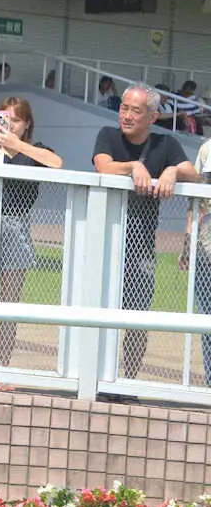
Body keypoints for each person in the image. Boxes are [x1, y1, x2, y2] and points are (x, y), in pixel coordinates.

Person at [92, 84, 198, 391]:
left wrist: (172, 173)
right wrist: (133, 166)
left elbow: (194, 174)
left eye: (135, 110)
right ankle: (99, 380)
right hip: (104, 246)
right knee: (99, 317)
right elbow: (103, 166)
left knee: (136, 319)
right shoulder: (107, 136)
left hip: (142, 250)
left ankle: (127, 383)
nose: (126, 115)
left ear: (152, 117)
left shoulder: (166, 143)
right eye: (124, 108)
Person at [0, 97, 62, 378]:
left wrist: (16, 145)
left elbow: (57, 163)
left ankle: (2, 370)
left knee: (8, 307)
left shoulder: (33, 151)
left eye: (16, 120)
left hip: (17, 226)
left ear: (27, 124)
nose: (10, 124)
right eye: (5, 118)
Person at [186, 137, 211, 384]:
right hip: (206, 245)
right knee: (208, 317)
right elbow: (195, 198)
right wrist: (188, 239)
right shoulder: (207, 148)